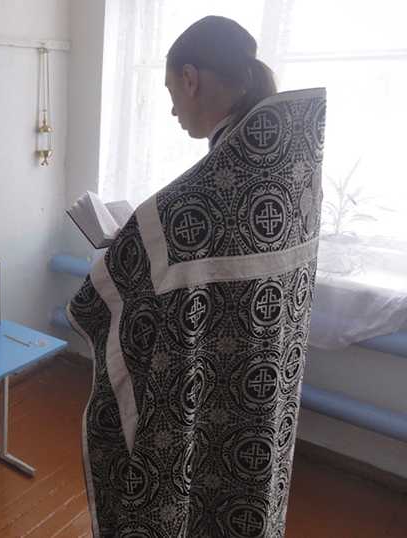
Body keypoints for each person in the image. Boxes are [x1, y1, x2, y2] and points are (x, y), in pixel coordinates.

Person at [66, 16, 325, 538]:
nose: (171, 109)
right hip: (267, 379)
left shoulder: (202, 192)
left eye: (170, 92)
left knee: (193, 487)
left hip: (209, 379)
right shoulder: (292, 158)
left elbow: (104, 295)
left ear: (191, 78)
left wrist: (128, 244)